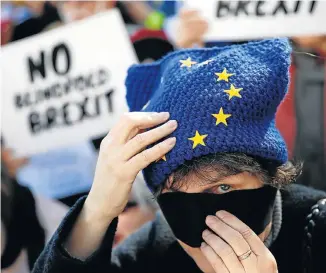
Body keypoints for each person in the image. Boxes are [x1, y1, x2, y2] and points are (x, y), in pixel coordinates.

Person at [32, 39, 326, 273]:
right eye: (174, 195)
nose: (201, 230)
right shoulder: (150, 252)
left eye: (223, 189)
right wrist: (97, 211)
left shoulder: (317, 231)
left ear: (270, 178)